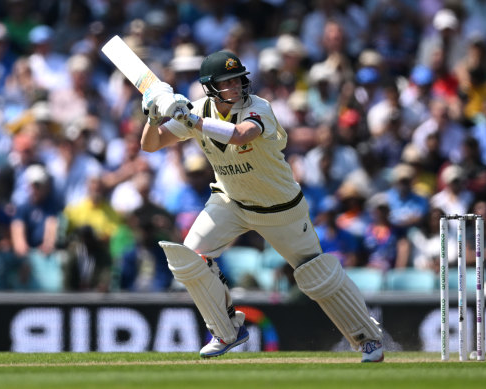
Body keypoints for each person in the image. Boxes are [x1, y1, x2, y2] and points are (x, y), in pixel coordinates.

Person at [139, 50, 384, 362]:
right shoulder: (198, 109)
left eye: (239, 78)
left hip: (280, 208)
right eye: (228, 82)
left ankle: (368, 339)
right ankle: (227, 332)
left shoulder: (259, 108)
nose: (238, 85)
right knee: (189, 258)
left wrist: (189, 119)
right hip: (230, 201)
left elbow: (241, 136)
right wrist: (153, 115)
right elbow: (150, 144)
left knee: (316, 275)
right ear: (211, 87)